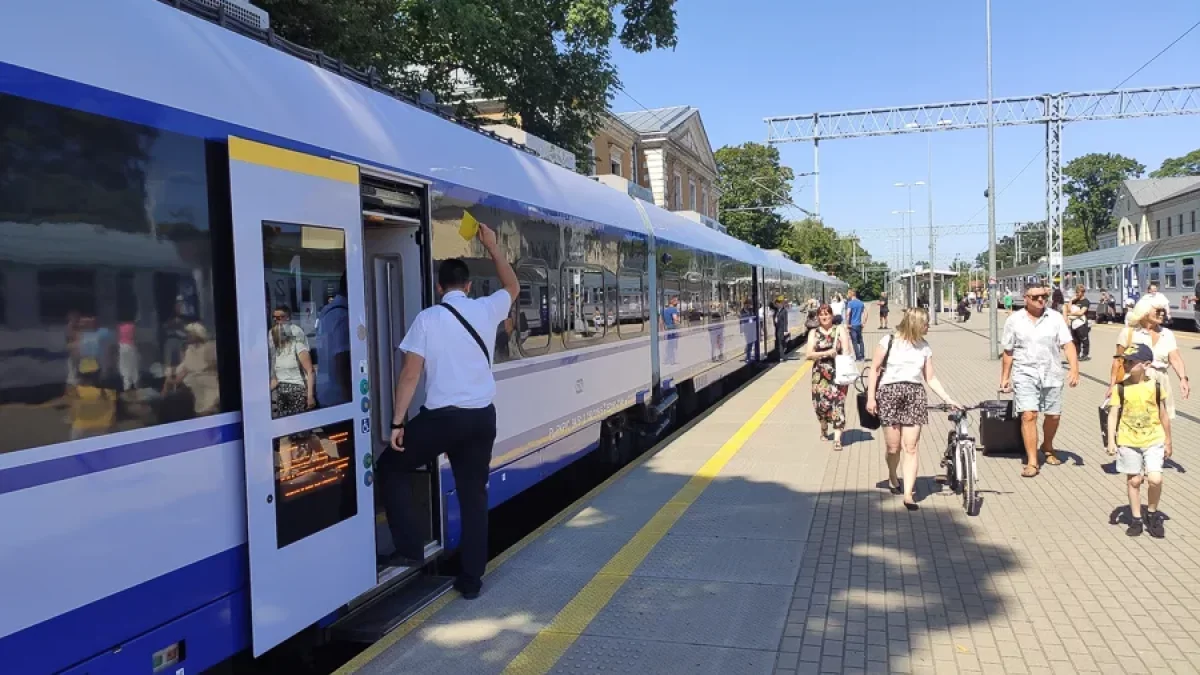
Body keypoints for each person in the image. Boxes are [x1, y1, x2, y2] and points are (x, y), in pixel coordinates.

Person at [381, 221, 517, 600]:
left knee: (391, 467)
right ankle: (471, 581)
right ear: (468, 286)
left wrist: (397, 422)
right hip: (481, 417)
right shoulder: (486, 309)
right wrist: (492, 246)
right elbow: (512, 287)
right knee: (474, 496)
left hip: (442, 419)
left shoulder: (428, 318)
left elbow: (410, 375)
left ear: (439, 288)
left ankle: (410, 548)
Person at [866, 308, 960, 510]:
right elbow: (874, 369)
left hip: (914, 396)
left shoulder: (924, 347)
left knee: (911, 447)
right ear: (915, 324)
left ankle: (908, 494)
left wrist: (948, 398)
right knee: (893, 447)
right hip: (889, 394)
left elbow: (930, 378)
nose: (928, 327)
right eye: (926, 324)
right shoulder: (888, 341)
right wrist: (871, 398)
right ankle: (893, 475)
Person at [1000, 282, 1080, 478]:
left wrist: (1074, 369)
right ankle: (1032, 461)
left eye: (1044, 296)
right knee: (1029, 415)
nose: (1040, 300)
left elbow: (1068, 344)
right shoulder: (1014, 320)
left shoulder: (1055, 317)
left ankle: (1047, 445)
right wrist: (1005, 377)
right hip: (1025, 373)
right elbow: (1008, 351)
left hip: (1051, 373)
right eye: (1035, 297)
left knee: (1053, 416)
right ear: (1025, 299)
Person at [1105, 344, 1173, 538]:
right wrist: (1111, 440)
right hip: (1128, 439)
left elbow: (1163, 415)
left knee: (1155, 478)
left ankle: (1151, 513)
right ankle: (1136, 519)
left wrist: (1168, 440)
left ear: (1146, 364)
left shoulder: (1156, 387)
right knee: (1134, 480)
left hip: (1154, 438)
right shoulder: (1120, 388)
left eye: (1131, 361)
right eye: (1124, 361)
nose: (1125, 364)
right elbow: (1113, 414)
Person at [1108, 296, 1191, 420]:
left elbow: (1175, 358)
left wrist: (1183, 379)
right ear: (1144, 312)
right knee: (1137, 421)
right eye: (1158, 310)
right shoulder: (1129, 333)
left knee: (1162, 420)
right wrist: (1112, 385)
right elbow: (1118, 361)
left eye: (1163, 310)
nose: (1162, 313)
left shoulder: (1167, 334)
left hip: (1161, 382)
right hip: (1135, 383)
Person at [806, 305, 853, 450]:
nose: (824, 317)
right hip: (819, 376)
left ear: (832, 316)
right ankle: (824, 426)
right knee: (820, 406)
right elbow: (808, 354)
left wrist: (843, 357)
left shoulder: (839, 330)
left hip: (838, 374)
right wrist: (825, 353)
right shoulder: (813, 333)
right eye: (821, 314)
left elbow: (847, 350)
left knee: (838, 404)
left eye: (826, 314)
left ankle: (837, 440)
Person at [268, 306, 315, 418]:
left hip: (297, 391)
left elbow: (309, 370)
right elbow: (276, 377)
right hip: (282, 393)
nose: (276, 320)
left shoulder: (297, 338)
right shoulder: (277, 349)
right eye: (274, 318)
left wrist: (310, 395)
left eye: (279, 317)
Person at [315, 274, 352, 407]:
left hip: (325, 393)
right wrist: (351, 397)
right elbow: (342, 359)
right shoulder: (342, 315)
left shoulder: (327, 312)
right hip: (339, 397)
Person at [1065, 284, 1091, 360]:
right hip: (1073, 323)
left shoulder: (1085, 301)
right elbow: (1068, 309)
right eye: (1076, 292)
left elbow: (1081, 312)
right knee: (1075, 340)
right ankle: (1076, 355)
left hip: (1081, 323)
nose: (1076, 294)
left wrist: (1070, 314)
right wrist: (1071, 300)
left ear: (1083, 292)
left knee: (1084, 340)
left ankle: (1085, 355)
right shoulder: (1075, 301)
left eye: (1078, 292)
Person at [844, 289, 866, 361]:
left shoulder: (850, 303)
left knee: (854, 341)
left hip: (852, 325)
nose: (847, 295)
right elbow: (865, 313)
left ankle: (858, 357)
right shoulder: (861, 303)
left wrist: (847, 324)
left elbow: (848, 314)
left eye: (848, 294)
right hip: (859, 325)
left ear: (851, 294)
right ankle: (862, 356)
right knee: (861, 341)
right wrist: (863, 322)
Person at [661, 295, 680, 365]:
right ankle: (672, 360)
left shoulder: (664, 310)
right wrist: (678, 321)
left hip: (667, 329)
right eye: (676, 300)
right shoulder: (673, 310)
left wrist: (662, 330)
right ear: (672, 301)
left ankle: (667, 360)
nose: (677, 302)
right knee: (673, 345)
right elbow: (675, 319)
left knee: (668, 345)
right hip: (672, 329)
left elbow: (661, 321)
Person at [772, 295, 789, 360]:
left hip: (781, 329)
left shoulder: (784, 311)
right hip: (777, 328)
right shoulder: (776, 310)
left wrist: (785, 330)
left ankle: (782, 357)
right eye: (777, 303)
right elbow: (771, 304)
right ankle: (779, 355)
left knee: (780, 343)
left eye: (779, 303)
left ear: (781, 304)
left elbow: (785, 321)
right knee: (778, 342)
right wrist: (776, 298)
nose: (778, 304)